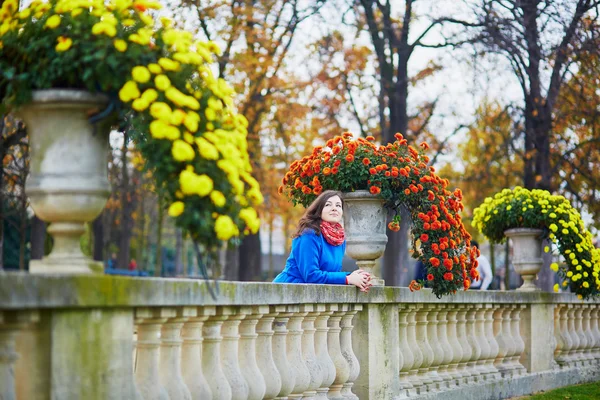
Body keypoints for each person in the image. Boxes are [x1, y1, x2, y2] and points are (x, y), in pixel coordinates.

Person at [273, 190, 372, 292]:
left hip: (315, 293)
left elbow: (331, 273)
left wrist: (357, 278)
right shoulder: (308, 235)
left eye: (338, 206)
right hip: (289, 290)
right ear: (319, 210)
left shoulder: (339, 239)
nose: (334, 208)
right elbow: (311, 275)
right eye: (328, 205)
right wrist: (347, 278)